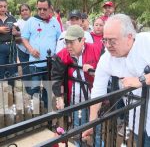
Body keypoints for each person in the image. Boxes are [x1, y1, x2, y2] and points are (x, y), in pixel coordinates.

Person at [82, 14, 150, 147]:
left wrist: (141, 80)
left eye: (112, 41)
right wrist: (92, 122)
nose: (108, 46)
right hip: (139, 121)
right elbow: (98, 91)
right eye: (105, 40)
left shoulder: (147, 42)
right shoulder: (107, 58)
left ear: (129, 37)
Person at [52, 25, 103, 146]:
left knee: (96, 129)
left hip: (94, 99)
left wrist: (93, 72)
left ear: (82, 40)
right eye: (66, 42)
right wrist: (59, 97)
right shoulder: (62, 54)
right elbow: (56, 77)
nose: (68, 46)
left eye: (72, 42)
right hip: (76, 100)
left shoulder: (97, 49)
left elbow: (107, 75)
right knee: (77, 130)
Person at [21, 0, 61, 107]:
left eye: (44, 9)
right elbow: (24, 38)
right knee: (34, 89)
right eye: (39, 9)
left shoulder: (55, 22)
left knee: (48, 89)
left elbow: (60, 39)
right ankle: (35, 115)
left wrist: (56, 54)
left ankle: (46, 113)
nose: (41, 11)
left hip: (50, 63)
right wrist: (31, 49)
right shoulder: (31, 21)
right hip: (35, 63)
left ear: (50, 8)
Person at [0, 0, 20, 81]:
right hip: (0, 48)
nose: (3, 8)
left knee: (12, 73)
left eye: (5, 6)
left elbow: (19, 33)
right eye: (0, 6)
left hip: (12, 48)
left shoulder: (12, 18)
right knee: (0, 73)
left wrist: (16, 33)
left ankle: (11, 92)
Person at [16, 3, 31, 93]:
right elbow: (17, 40)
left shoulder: (34, 21)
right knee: (25, 72)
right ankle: (29, 92)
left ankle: (35, 91)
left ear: (30, 11)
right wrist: (17, 35)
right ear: (20, 13)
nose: (24, 12)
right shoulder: (17, 23)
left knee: (34, 71)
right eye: (22, 10)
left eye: (26, 10)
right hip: (22, 51)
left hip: (33, 51)